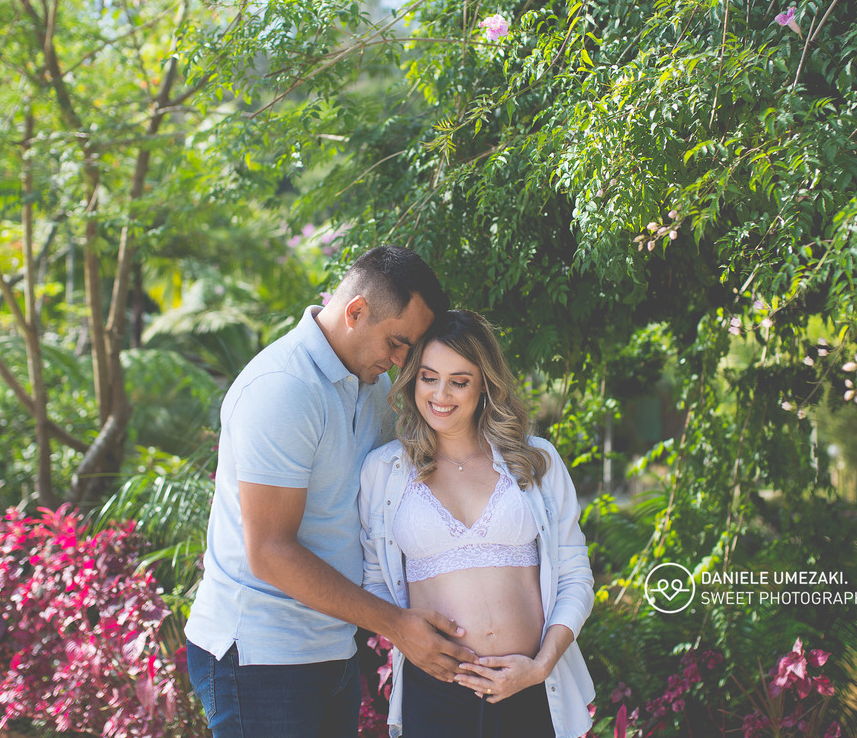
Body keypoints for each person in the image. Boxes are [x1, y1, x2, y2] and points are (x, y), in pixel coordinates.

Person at [185, 246, 476, 738]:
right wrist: (398, 624)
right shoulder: (284, 388)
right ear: (356, 311)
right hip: (259, 657)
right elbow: (271, 552)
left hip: (331, 646)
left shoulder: (369, 384)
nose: (402, 360)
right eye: (398, 342)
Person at [359, 310, 595, 738]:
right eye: (429, 377)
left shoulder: (535, 460)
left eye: (459, 381)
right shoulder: (384, 470)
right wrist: (406, 638)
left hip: (529, 688)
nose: (440, 394)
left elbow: (576, 575)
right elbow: (375, 580)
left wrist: (541, 667)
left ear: (484, 382)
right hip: (434, 693)